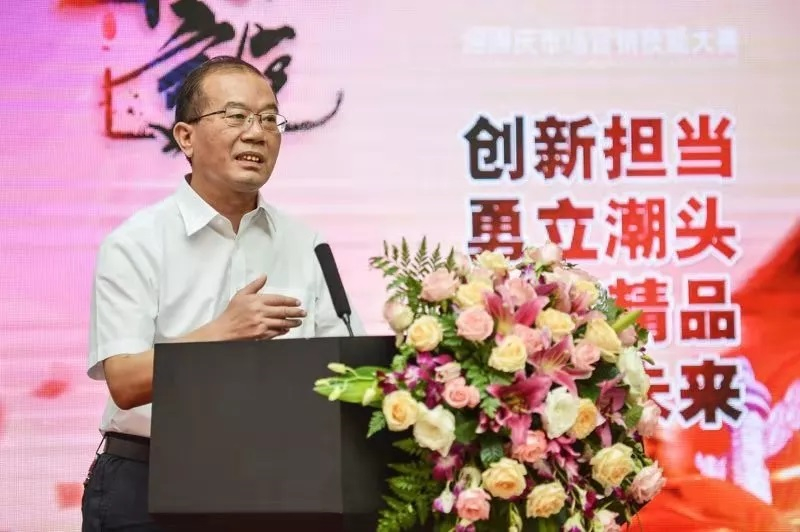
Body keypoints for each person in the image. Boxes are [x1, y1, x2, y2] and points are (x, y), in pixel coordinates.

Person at [81, 56, 363, 531]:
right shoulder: (136, 243)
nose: (257, 133)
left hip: (281, 483)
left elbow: (346, 372)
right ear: (185, 137)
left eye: (269, 119)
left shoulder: (306, 243)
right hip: (150, 485)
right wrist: (223, 333)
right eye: (236, 116)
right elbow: (125, 382)